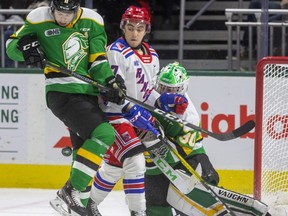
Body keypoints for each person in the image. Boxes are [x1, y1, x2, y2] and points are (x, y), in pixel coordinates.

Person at [5, 1, 157, 215]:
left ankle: (82, 207)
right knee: (104, 133)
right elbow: (11, 47)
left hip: (88, 96)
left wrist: (110, 81)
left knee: (82, 152)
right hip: (62, 92)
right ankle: (70, 190)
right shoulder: (38, 18)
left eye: (68, 14)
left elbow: (97, 60)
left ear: (76, 10)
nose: (63, 18)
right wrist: (26, 52)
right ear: (51, 8)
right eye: (58, 13)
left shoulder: (92, 21)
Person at [85, 6, 189, 216]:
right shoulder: (115, 51)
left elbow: (147, 90)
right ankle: (138, 212)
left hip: (138, 117)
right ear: (123, 27)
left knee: (115, 167)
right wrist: (132, 111)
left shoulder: (152, 54)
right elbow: (111, 92)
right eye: (130, 27)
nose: (134, 33)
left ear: (146, 30)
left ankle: (88, 203)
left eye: (139, 28)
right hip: (115, 116)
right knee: (136, 162)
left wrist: (163, 100)